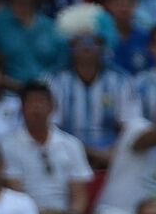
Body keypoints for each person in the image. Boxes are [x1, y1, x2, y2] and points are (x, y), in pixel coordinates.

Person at [0, 81, 91, 214]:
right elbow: (15, 191)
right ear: (22, 108)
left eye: (41, 102)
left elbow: (79, 195)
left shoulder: (72, 144)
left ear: (52, 107)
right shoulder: (7, 146)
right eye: (31, 102)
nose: (36, 108)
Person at [48, 31, 135, 170]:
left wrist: (114, 152)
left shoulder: (120, 80)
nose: (86, 47)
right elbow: (51, 128)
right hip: (67, 152)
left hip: (111, 155)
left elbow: (130, 126)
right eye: (80, 42)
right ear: (71, 47)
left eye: (92, 41)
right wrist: (90, 152)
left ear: (102, 46)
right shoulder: (56, 81)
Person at [0, 0, 68, 87]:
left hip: (49, 94)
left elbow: (61, 66)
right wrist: (21, 89)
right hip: (5, 96)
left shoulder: (52, 27)